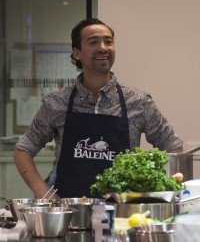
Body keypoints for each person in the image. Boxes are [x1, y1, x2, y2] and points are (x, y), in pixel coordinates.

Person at [13, 18, 183, 199]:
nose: (103, 47)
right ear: (76, 53)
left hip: (122, 217)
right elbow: (23, 150)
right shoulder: (56, 103)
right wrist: (43, 191)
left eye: (108, 41)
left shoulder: (139, 102)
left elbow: (173, 147)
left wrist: (156, 190)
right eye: (93, 42)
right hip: (70, 216)